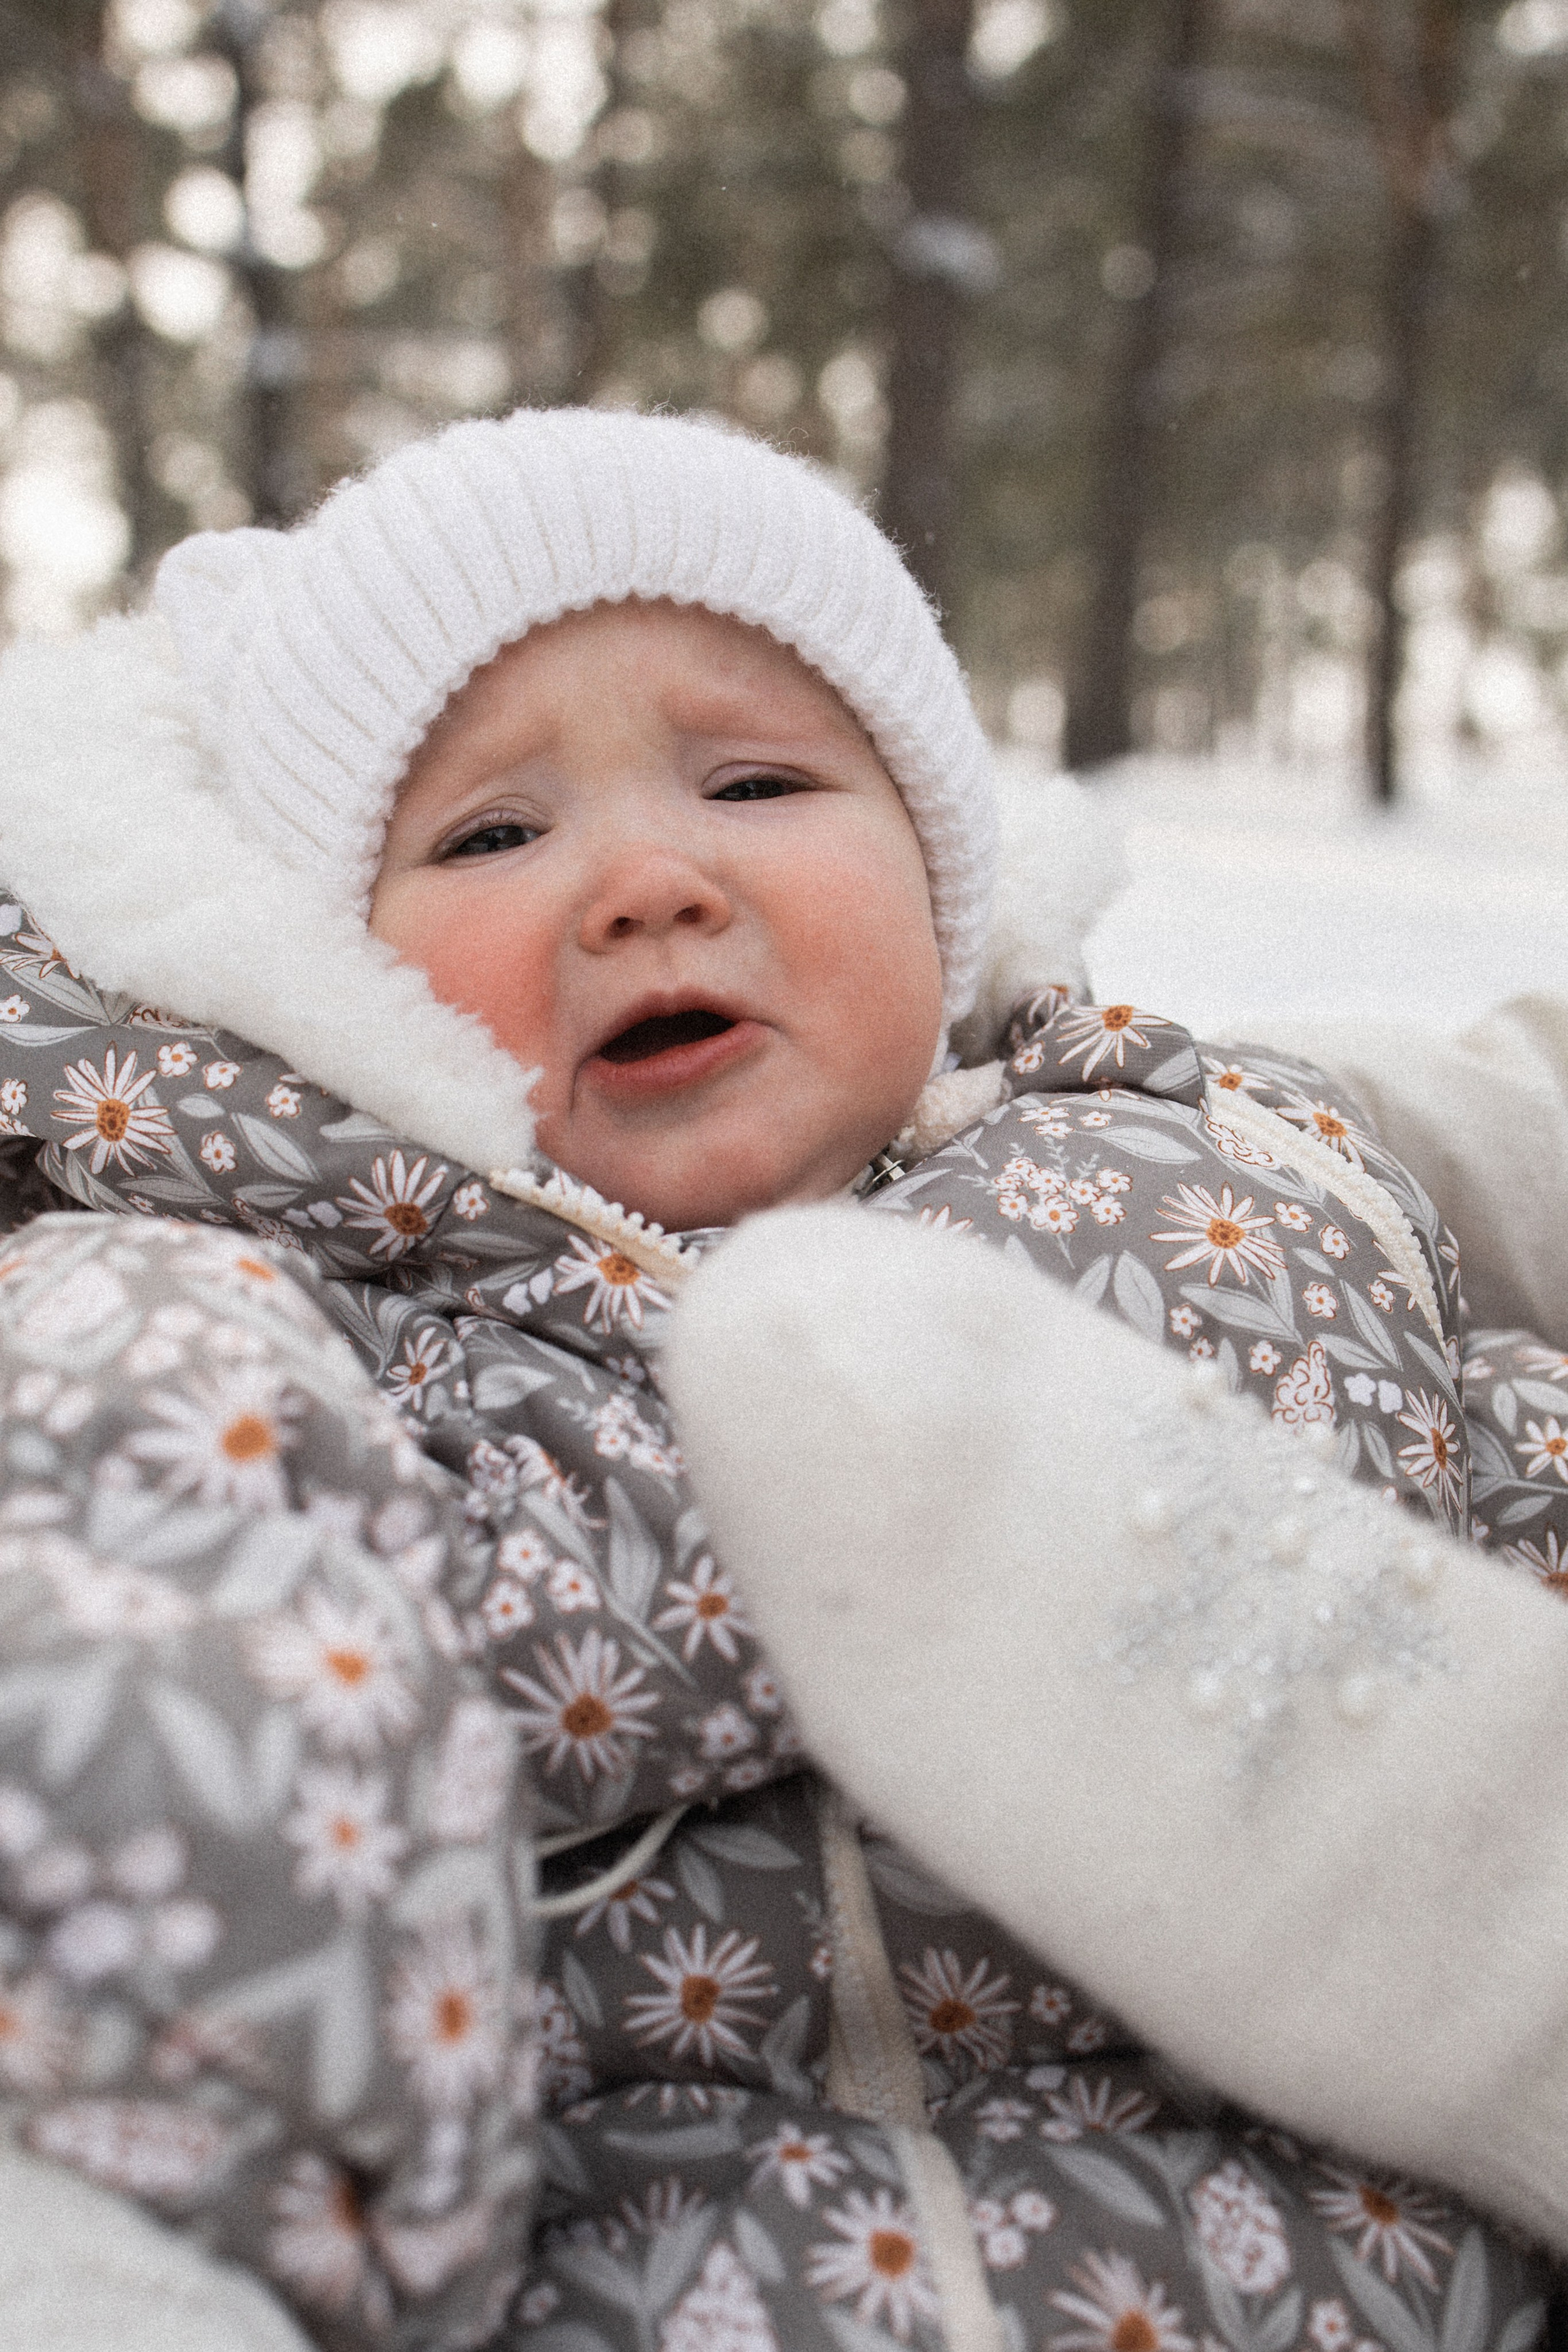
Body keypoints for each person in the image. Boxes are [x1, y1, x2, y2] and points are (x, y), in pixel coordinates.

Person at [0, 403, 1562, 2352]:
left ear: (939, 862)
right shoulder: (269, 1325)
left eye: (755, 781)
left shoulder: (1210, 1148)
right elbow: (150, 1720)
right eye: (492, 833)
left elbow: (1513, 1285)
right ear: (329, 974)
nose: (647, 880)